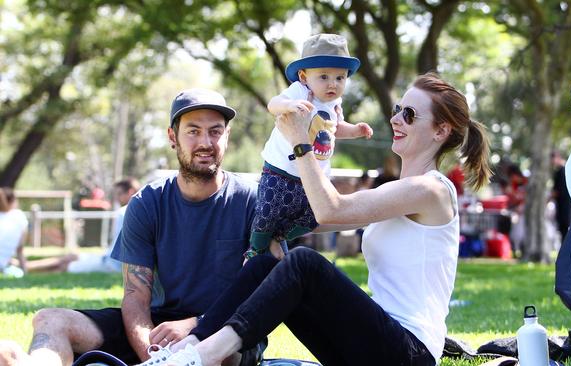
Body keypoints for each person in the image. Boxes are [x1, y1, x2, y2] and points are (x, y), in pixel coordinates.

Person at [155, 72, 492, 366]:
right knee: (268, 265)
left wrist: (301, 141)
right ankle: (190, 346)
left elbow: (332, 209)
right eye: (396, 109)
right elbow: (316, 216)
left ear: (440, 131)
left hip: (409, 354)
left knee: (304, 263)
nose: (396, 119)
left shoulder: (431, 190)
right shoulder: (399, 193)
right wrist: (268, 229)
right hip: (370, 348)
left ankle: (204, 357)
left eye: (409, 114)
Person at [0, 88, 264, 366]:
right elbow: (136, 297)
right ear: (172, 137)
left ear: (227, 136)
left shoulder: (253, 200)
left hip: (224, 331)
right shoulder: (146, 202)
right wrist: (152, 356)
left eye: (215, 131)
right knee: (50, 320)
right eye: (193, 131)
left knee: (218, 355)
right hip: (159, 330)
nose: (205, 142)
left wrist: (196, 325)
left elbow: (261, 294)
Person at [248, 33, 373, 258]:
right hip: (281, 170)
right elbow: (272, 104)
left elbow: (333, 128)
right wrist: (289, 104)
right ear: (304, 76)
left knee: (316, 215)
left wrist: (355, 131)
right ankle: (255, 249)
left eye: (340, 78)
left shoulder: (335, 103)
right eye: (324, 77)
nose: (332, 84)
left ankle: (280, 236)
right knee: (267, 211)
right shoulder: (300, 91)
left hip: (314, 177)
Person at [66, 178, 141, 273]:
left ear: (131, 192)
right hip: (107, 259)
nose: (117, 198)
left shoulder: (124, 212)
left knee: (67, 265)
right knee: (70, 257)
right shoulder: (140, 212)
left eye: (119, 194)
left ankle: (40, 272)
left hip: (112, 265)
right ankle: (40, 269)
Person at [0, 187, 77, 277]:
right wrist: (24, 272)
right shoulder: (18, 216)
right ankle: (60, 263)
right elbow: (19, 250)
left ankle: (60, 263)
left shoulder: (16, 216)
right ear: (13, 201)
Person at [551, 151, 571, 243]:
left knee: (564, 227)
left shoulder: (561, 171)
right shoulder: (566, 170)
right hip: (565, 204)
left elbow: (557, 191)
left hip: (564, 205)